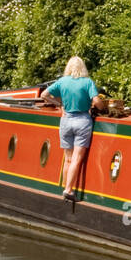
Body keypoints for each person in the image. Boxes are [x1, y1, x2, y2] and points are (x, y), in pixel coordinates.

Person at [39, 56, 101, 201]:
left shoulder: (62, 81)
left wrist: (59, 105)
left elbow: (44, 95)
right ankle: (69, 190)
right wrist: (101, 106)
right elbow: (97, 101)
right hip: (82, 121)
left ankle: (65, 189)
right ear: (83, 68)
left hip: (66, 120)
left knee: (67, 159)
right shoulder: (87, 82)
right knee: (76, 159)